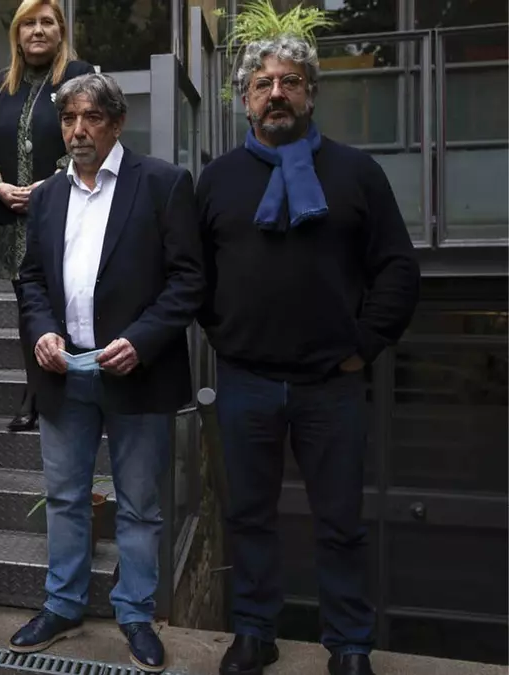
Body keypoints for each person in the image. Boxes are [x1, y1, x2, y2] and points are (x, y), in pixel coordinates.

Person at [199, 34, 419, 675]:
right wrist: (224, 333)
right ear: (245, 100)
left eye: (290, 82)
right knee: (249, 517)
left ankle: (349, 644)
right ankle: (254, 633)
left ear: (311, 95)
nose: (277, 94)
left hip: (332, 384)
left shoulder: (357, 173)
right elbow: (193, 272)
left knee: (341, 521)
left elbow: (398, 269)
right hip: (246, 381)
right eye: (263, 84)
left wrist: (363, 345)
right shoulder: (217, 179)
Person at [10, 73, 202, 673]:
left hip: (135, 371)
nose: (78, 130)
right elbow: (30, 278)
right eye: (69, 119)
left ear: (117, 123)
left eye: (91, 118)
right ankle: (62, 605)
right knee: (65, 497)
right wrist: (42, 330)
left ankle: (136, 614)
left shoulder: (163, 183)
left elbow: (189, 280)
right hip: (64, 369)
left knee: (139, 505)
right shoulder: (47, 195)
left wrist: (141, 341)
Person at [0, 0, 96, 432]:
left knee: (65, 300)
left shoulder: (79, 75)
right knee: (29, 306)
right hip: (10, 216)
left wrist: (53, 181)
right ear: (17, 32)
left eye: (47, 22)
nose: (38, 30)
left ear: (61, 30)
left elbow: (89, 135)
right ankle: (35, 390)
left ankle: (75, 385)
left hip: (64, 208)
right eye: (29, 23)